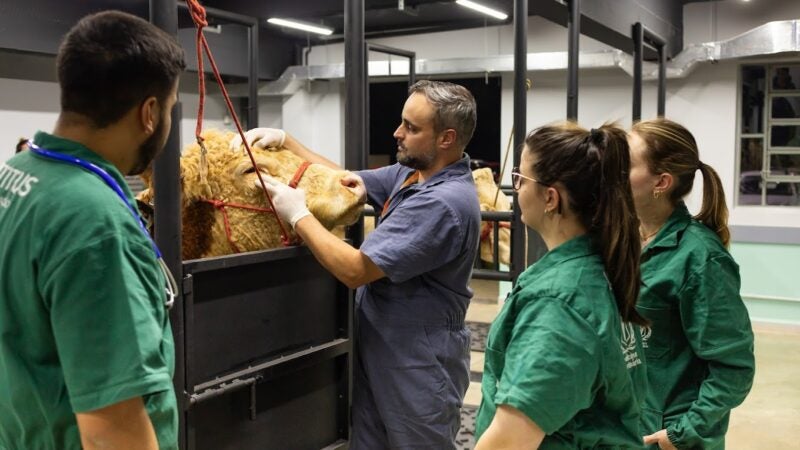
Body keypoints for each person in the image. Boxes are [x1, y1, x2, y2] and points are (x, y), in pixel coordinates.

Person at [232, 80, 481, 449]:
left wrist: (299, 215)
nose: (397, 133)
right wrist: (287, 142)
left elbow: (354, 269)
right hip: (382, 350)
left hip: (418, 362)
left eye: (411, 128)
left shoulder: (442, 203)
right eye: (402, 122)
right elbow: (341, 181)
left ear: (446, 138)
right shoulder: (411, 174)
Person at [0, 11, 185, 450]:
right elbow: (111, 431)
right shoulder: (94, 222)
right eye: (173, 109)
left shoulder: (17, 175)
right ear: (150, 113)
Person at [473, 122, 648, 449]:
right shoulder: (594, 270)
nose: (516, 189)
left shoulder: (559, 303)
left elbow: (510, 440)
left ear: (550, 198)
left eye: (520, 179)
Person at [628, 118, 755, 450]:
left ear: (661, 182)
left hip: (667, 437)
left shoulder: (701, 258)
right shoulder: (626, 240)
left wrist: (683, 431)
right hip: (627, 428)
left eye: (624, 165)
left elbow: (735, 367)